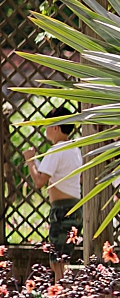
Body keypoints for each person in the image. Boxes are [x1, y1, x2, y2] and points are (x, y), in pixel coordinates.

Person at [27, 108, 84, 257]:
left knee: (57, 260)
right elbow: (80, 178)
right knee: (65, 256)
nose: (45, 130)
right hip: (76, 208)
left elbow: (40, 181)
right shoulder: (75, 149)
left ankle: (59, 281)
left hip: (61, 209)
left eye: (47, 125)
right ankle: (63, 280)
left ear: (56, 127)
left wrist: (30, 160)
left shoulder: (56, 150)